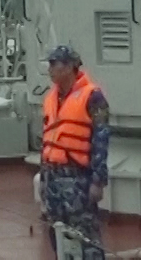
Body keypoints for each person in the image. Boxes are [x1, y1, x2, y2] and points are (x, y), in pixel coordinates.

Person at [40, 44, 110, 259]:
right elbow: (47, 140)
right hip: (52, 177)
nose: (50, 69)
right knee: (57, 233)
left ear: (70, 66)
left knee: (85, 234)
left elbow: (101, 139)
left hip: (77, 178)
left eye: (54, 64)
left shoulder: (92, 97)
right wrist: (43, 179)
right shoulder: (50, 98)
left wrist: (98, 180)